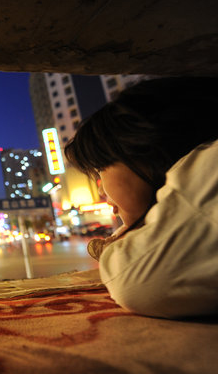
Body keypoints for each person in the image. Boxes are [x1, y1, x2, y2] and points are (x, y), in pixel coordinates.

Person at [64, 77, 218, 319]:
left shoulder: (207, 172)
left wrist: (119, 244)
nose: (101, 190)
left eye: (100, 169)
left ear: (142, 149)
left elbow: (133, 279)